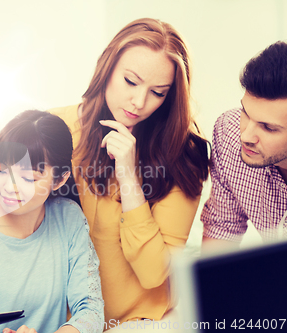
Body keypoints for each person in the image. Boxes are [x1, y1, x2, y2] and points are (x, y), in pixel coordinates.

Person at [49, 18, 209, 326]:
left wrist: (129, 176)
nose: (139, 102)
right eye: (131, 82)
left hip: (135, 321)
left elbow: (153, 274)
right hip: (61, 321)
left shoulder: (184, 153)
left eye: (158, 92)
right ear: (107, 67)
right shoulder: (56, 127)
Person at [0, 111, 104, 333]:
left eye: (28, 178)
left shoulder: (69, 218)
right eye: (1, 170)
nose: (8, 187)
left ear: (60, 179)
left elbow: (90, 309)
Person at [201, 41, 287, 245]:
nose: (246, 136)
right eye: (246, 113)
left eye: (268, 127)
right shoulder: (228, 133)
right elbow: (223, 229)